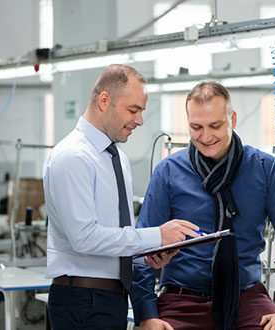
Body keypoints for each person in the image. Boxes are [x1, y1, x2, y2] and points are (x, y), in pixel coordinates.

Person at [131, 81, 275, 330]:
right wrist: (146, 314)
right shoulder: (169, 173)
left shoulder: (265, 169)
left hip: (247, 298)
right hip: (181, 300)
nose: (205, 137)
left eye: (215, 126)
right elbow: (142, 245)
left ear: (233, 119)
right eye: (196, 127)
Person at [43, 64, 200, 330]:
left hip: (111, 299)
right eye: (133, 110)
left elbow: (114, 236)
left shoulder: (117, 159)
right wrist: (156, 236)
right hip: (82, 301)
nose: (139, 120)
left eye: (141, 111)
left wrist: (146, 254)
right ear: (104, 101)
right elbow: (84, 238)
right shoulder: (72, 157)